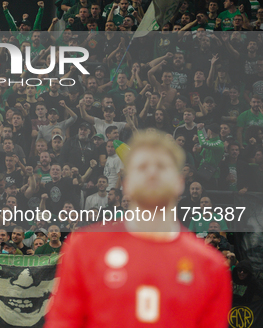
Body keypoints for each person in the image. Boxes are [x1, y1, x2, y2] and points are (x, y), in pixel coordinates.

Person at [45, 131, 231, 327]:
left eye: (161, 167)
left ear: (179, 183)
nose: (152, 173)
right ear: (126, 184)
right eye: (141, 167)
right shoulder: (84, 247)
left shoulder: (209, 265)